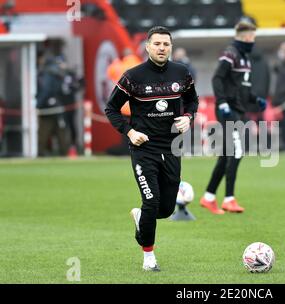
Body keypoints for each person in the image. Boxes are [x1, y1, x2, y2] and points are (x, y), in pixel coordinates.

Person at [105, 26, 198, 271]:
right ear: (147, 47)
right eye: (156, 44)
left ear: (171, 47)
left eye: (166, 44)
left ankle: (141, 219)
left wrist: (188, 117)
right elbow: (111, 109)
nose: (161, 48)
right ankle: (149, 258)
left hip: (171, 148)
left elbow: (192, 100)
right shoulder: (133, 76)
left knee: (165, 209)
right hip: (143, 148)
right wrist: (130, 132)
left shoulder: (182, 73)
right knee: (151, 199)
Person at [199, 19, 266, 215]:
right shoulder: (230, 54)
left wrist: (255, 99)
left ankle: (209, 197)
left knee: (227, 154)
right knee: (237, 151)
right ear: (244, 37)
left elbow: (242, 87)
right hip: (227, 109)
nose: (253, 41)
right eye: (251, 37)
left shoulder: (245, 58)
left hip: (237, 109)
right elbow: (217, 78)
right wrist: (222, 102)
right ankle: (229, 199)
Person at [36, 54, 68, 157]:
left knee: (44, 132)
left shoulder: (47, 73)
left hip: (47, 107)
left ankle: (40, 152)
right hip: (59, 105)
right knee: (61, 131)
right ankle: (64, 152)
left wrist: (38, 104)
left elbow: (46, 90)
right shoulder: (60, 73)